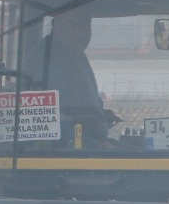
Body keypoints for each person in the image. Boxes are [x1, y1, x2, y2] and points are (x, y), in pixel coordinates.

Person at [32, 10, 113, 142]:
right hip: (70, 152)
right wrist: (93, 144)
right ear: (56, 25)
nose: (80, 32)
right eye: (72, 24)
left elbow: (75, 109)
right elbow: (50, 121)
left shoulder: (74, 53)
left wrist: (99, 115)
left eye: (85, 25)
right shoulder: (48, 61)